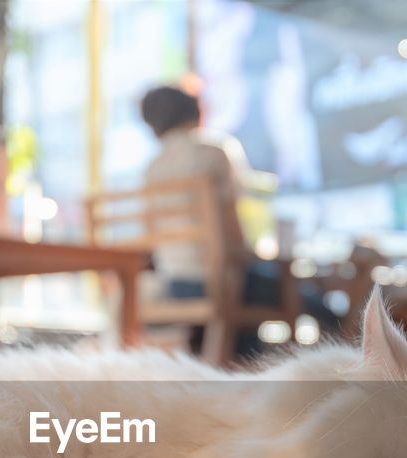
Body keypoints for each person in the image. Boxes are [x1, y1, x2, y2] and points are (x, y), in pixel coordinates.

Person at [139, 85, 337, 360]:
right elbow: (234, 235)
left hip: (176, 285)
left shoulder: (151, 169)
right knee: (314, 302)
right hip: (221, 283)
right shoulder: (216, 151)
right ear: (196, 111)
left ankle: (238, 374)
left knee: (249, 299)